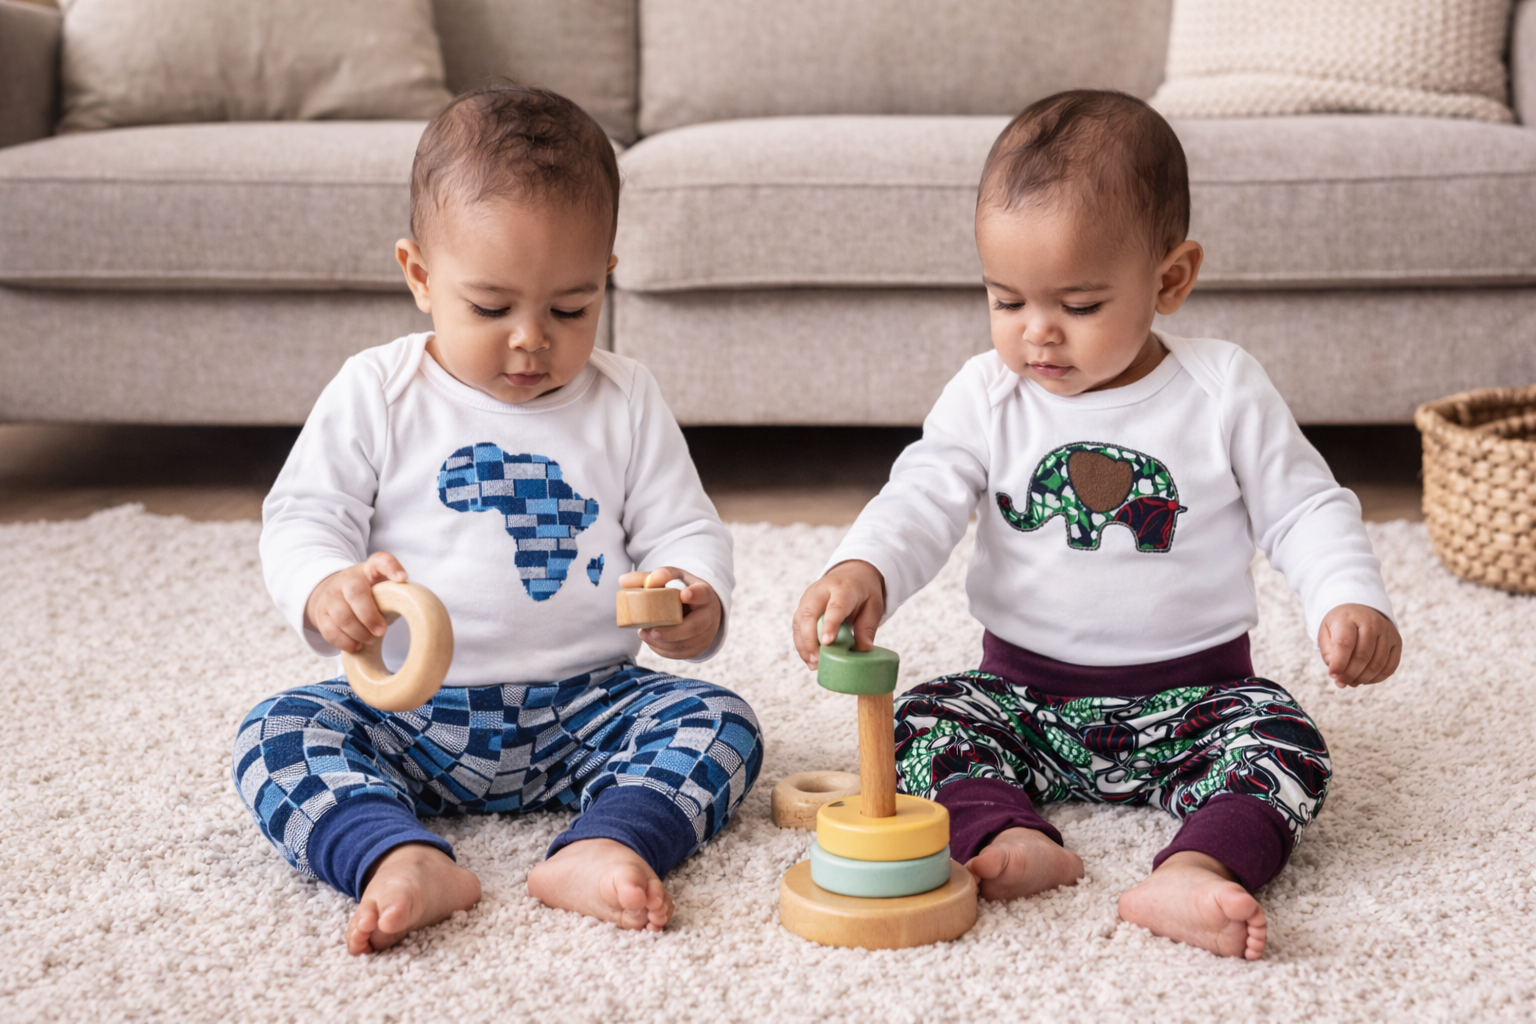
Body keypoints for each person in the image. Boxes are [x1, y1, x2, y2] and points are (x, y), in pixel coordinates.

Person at [792, 90, 1402, 961]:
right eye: (1006, 301)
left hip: (1198, 702)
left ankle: (1197, 866)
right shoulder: (988, 394)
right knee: (921, 721)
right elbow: (922, 492)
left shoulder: (1221, 389)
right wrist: (866, 568)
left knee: (1286, 742)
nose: (1037, 334)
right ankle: (1008, 833)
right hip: (1024, 698)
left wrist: (1347, 596)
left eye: (1077, 306)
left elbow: (1302, 504)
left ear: (1170, 280)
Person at [235, 86, 761, 954]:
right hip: (410, 715)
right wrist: (326, 585)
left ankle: (606, 841)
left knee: (722, 724)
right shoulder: (378, 390)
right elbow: (304, 514)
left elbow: (683, 527)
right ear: (419, 276)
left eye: (570, 308)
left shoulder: (626, 400)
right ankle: (394, 853)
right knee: (276, 733)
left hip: (590, 705)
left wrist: (692, 593)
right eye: (491, 308)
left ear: (607, 279)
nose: (531, 340)